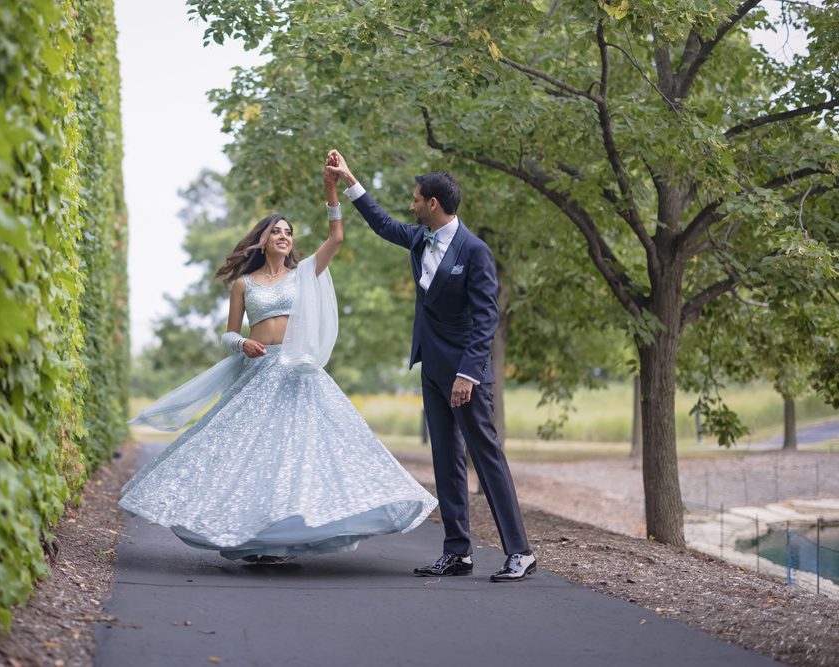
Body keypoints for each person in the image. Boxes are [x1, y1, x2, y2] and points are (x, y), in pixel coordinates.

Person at [119, 160, 437, 564]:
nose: (284, 236)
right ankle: (252, 537)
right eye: (277, 231)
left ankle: (284, 538)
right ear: (263, 240)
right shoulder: (244, 284)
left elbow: (336, 237)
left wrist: (331, 191)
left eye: (289, 232)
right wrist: (241, 346)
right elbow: (229, 333)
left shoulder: (304, 273)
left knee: (294, 457)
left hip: (297, 374)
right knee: (249, 458)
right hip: (257, 373)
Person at [325, 149, 536, 582]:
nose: (411, 204)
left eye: (416, 198)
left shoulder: (475, 251)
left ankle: (520, 551)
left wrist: (468, 373)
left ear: (433, 204)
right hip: (432, 368)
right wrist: (349, 179)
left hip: (466, 374)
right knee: (446, 460)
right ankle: (457, 552)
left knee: (486, 456)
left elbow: (485, 318)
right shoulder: (420, 238)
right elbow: (382, 223)